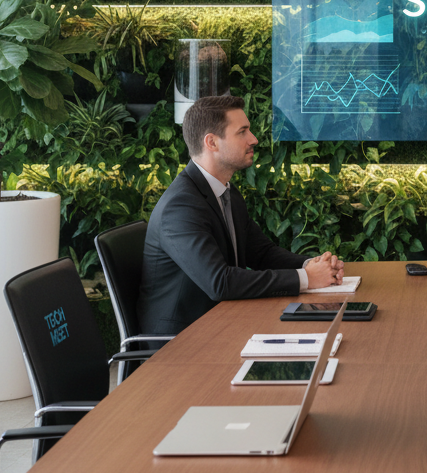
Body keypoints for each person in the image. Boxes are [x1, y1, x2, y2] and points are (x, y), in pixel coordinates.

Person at [139, 95, 345, 336]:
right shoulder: (180, 206)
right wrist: (306, 278)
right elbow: (220, 282)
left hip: (224, 322)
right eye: (242, 132)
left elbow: (262, 253)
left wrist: (310, 265)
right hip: (182, 340)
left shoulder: (226, 192)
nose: (254, 139)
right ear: (212, 142)